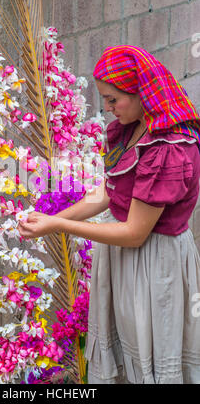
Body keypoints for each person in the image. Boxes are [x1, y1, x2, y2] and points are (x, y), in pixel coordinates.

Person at [18, 45, 200, 384]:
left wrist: (60, 224)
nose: (107, 108)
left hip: (154, 262)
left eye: (113, 99)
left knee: (153, 353)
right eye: (104, 99)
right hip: (127, 258)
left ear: (142, 92)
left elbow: (134, 232)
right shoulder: (136, 129)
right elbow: (110, 190)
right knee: (130, 350)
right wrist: (54, 222)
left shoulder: (167, 148)